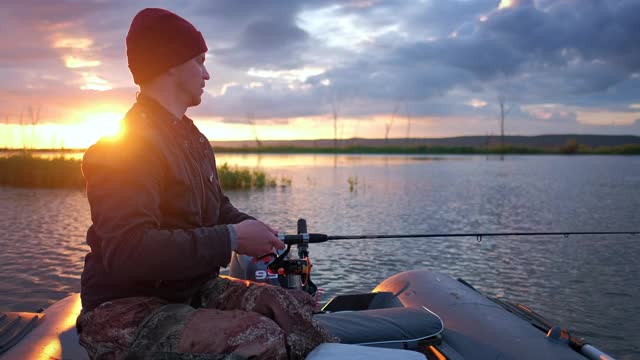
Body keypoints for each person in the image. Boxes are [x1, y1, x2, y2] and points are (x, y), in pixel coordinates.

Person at [76, 8, 336, 360]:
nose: (207, 74)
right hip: (125, 308)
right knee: (261, 337)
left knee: (293, 306)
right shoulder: (121, 148)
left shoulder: (192, 139)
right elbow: (128, 250)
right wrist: (231, 239)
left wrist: (254, 230)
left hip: (190, 292)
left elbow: (216, 209)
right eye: (199, 61)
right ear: (170, 63)